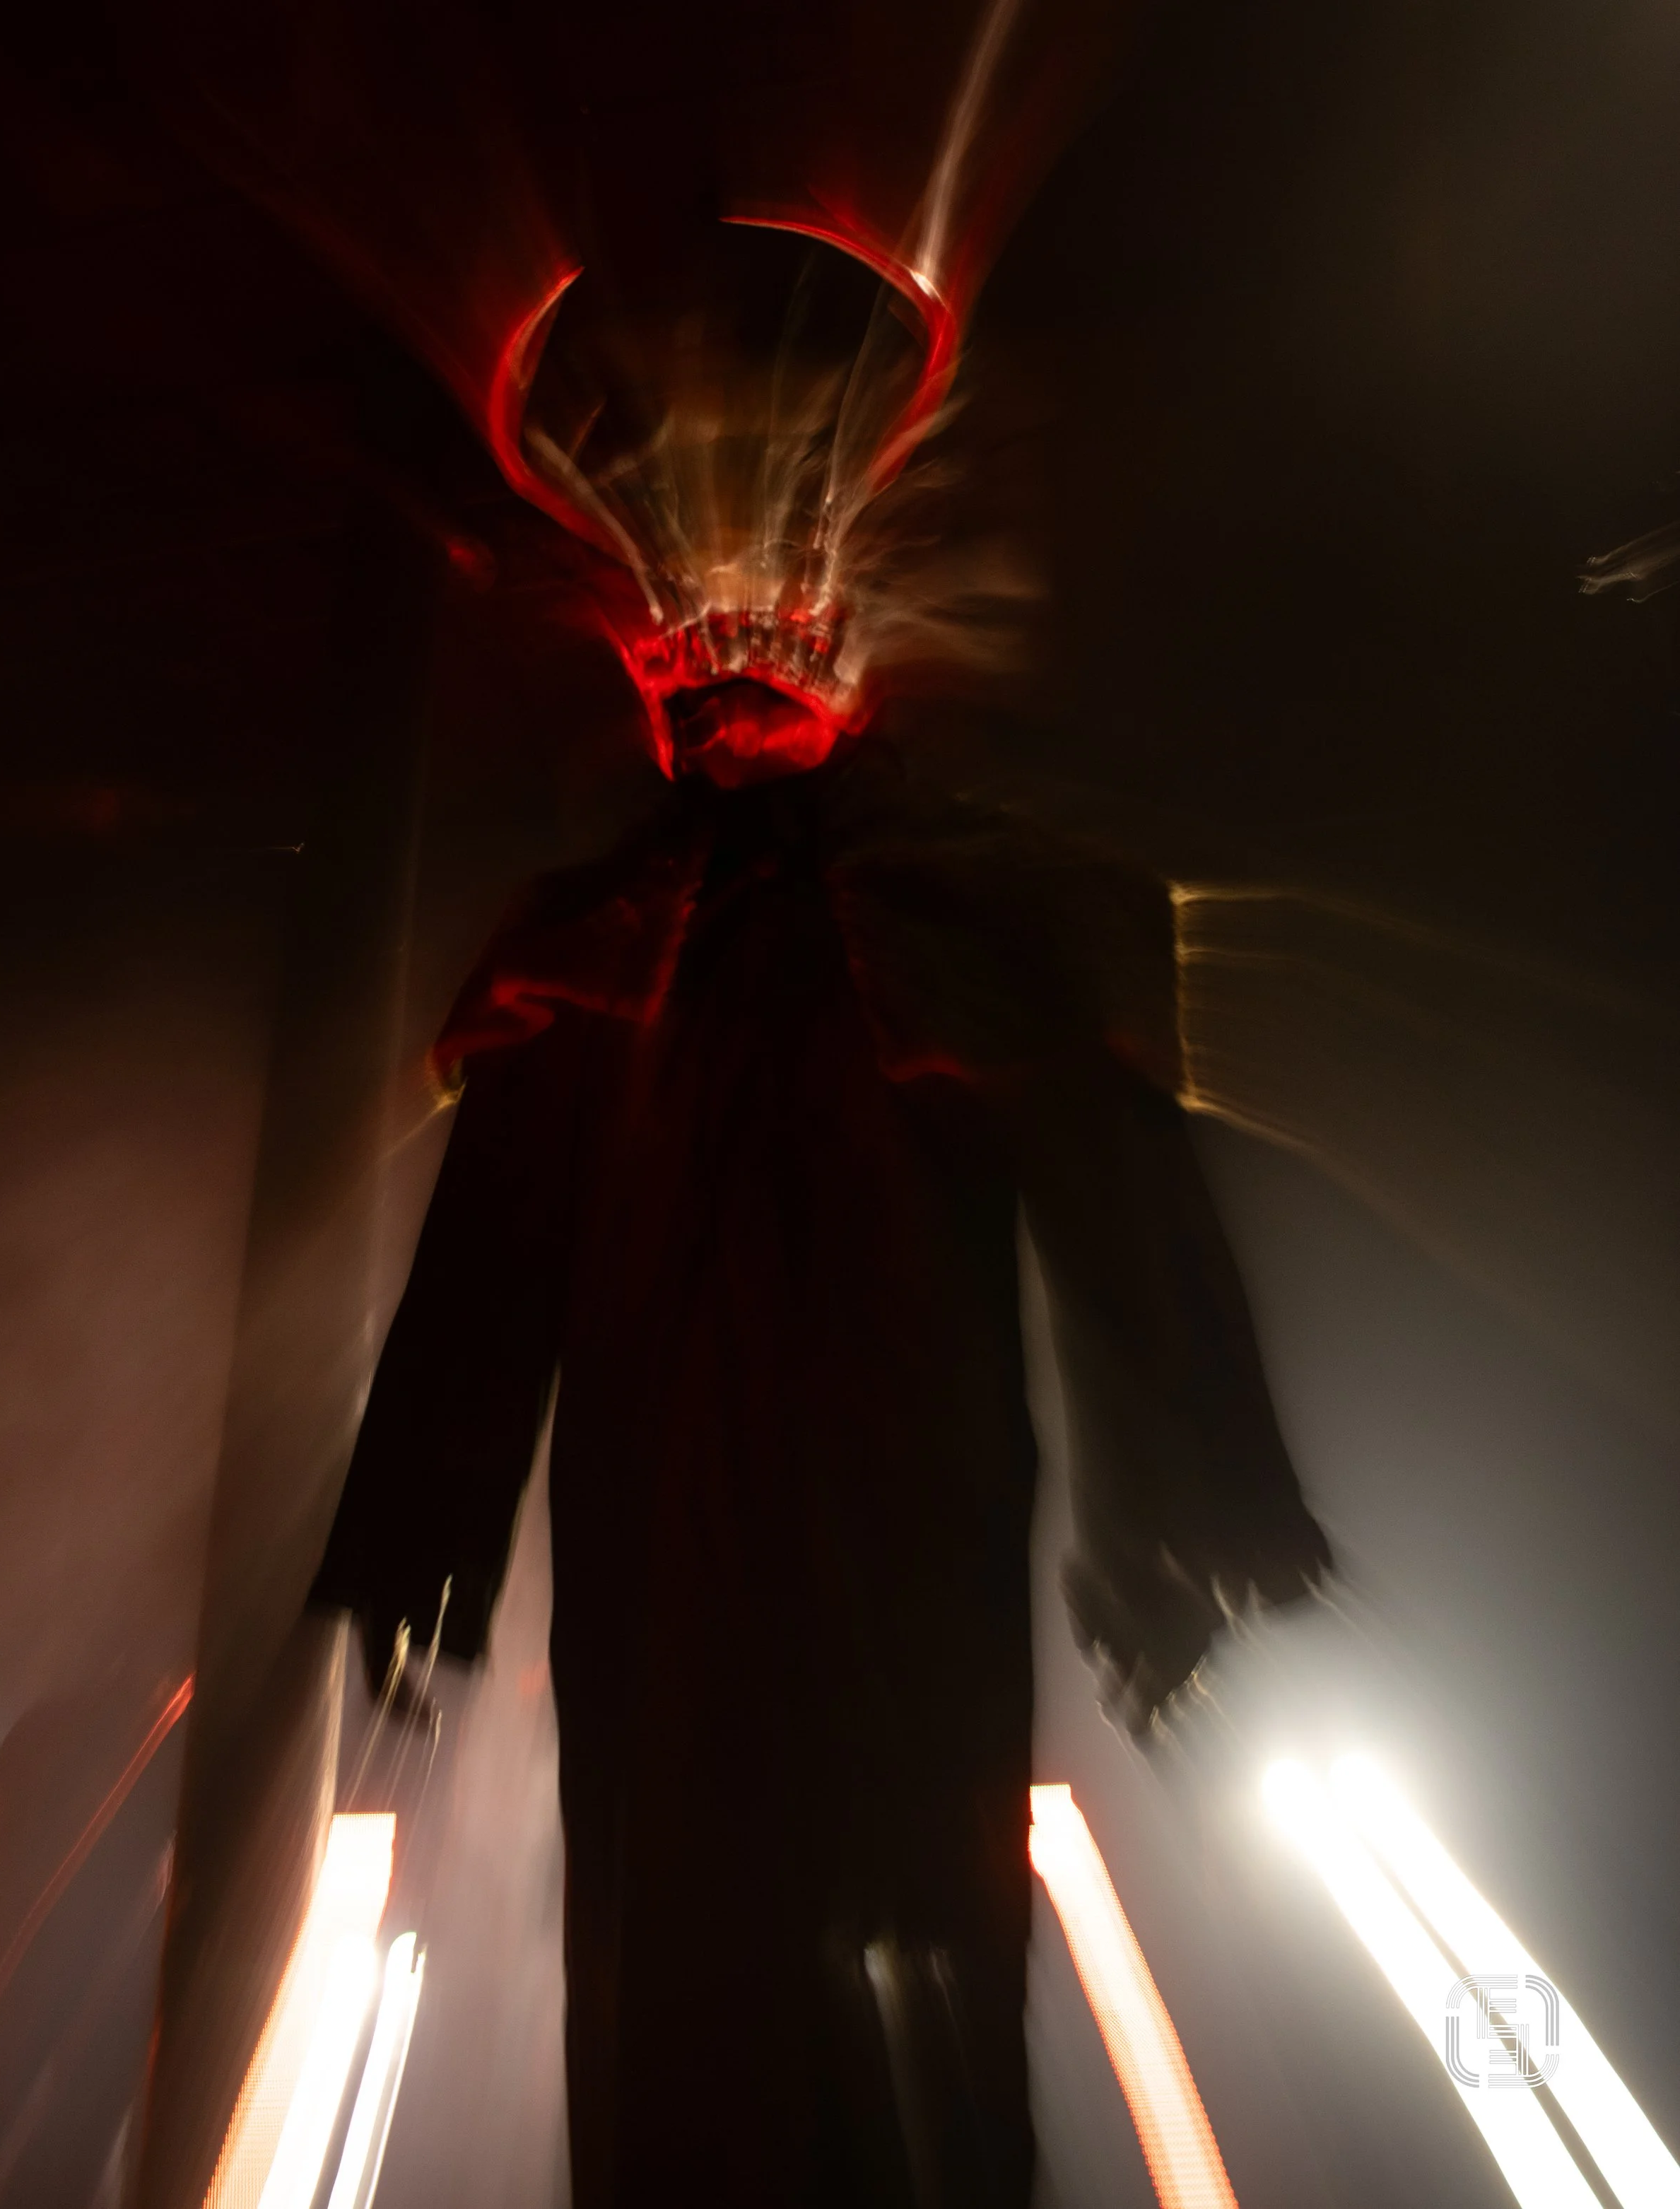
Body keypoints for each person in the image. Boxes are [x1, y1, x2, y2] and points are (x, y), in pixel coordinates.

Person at [312, 690, 1329, 2209]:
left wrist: (1181, 1526)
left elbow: (1128, 1228)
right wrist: (417, 1527)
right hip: (700, 1544)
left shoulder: (962, 912)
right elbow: (492, 1259)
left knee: (897, 1963)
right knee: (708, 1995)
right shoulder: (605, 940)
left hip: (894, 1528)